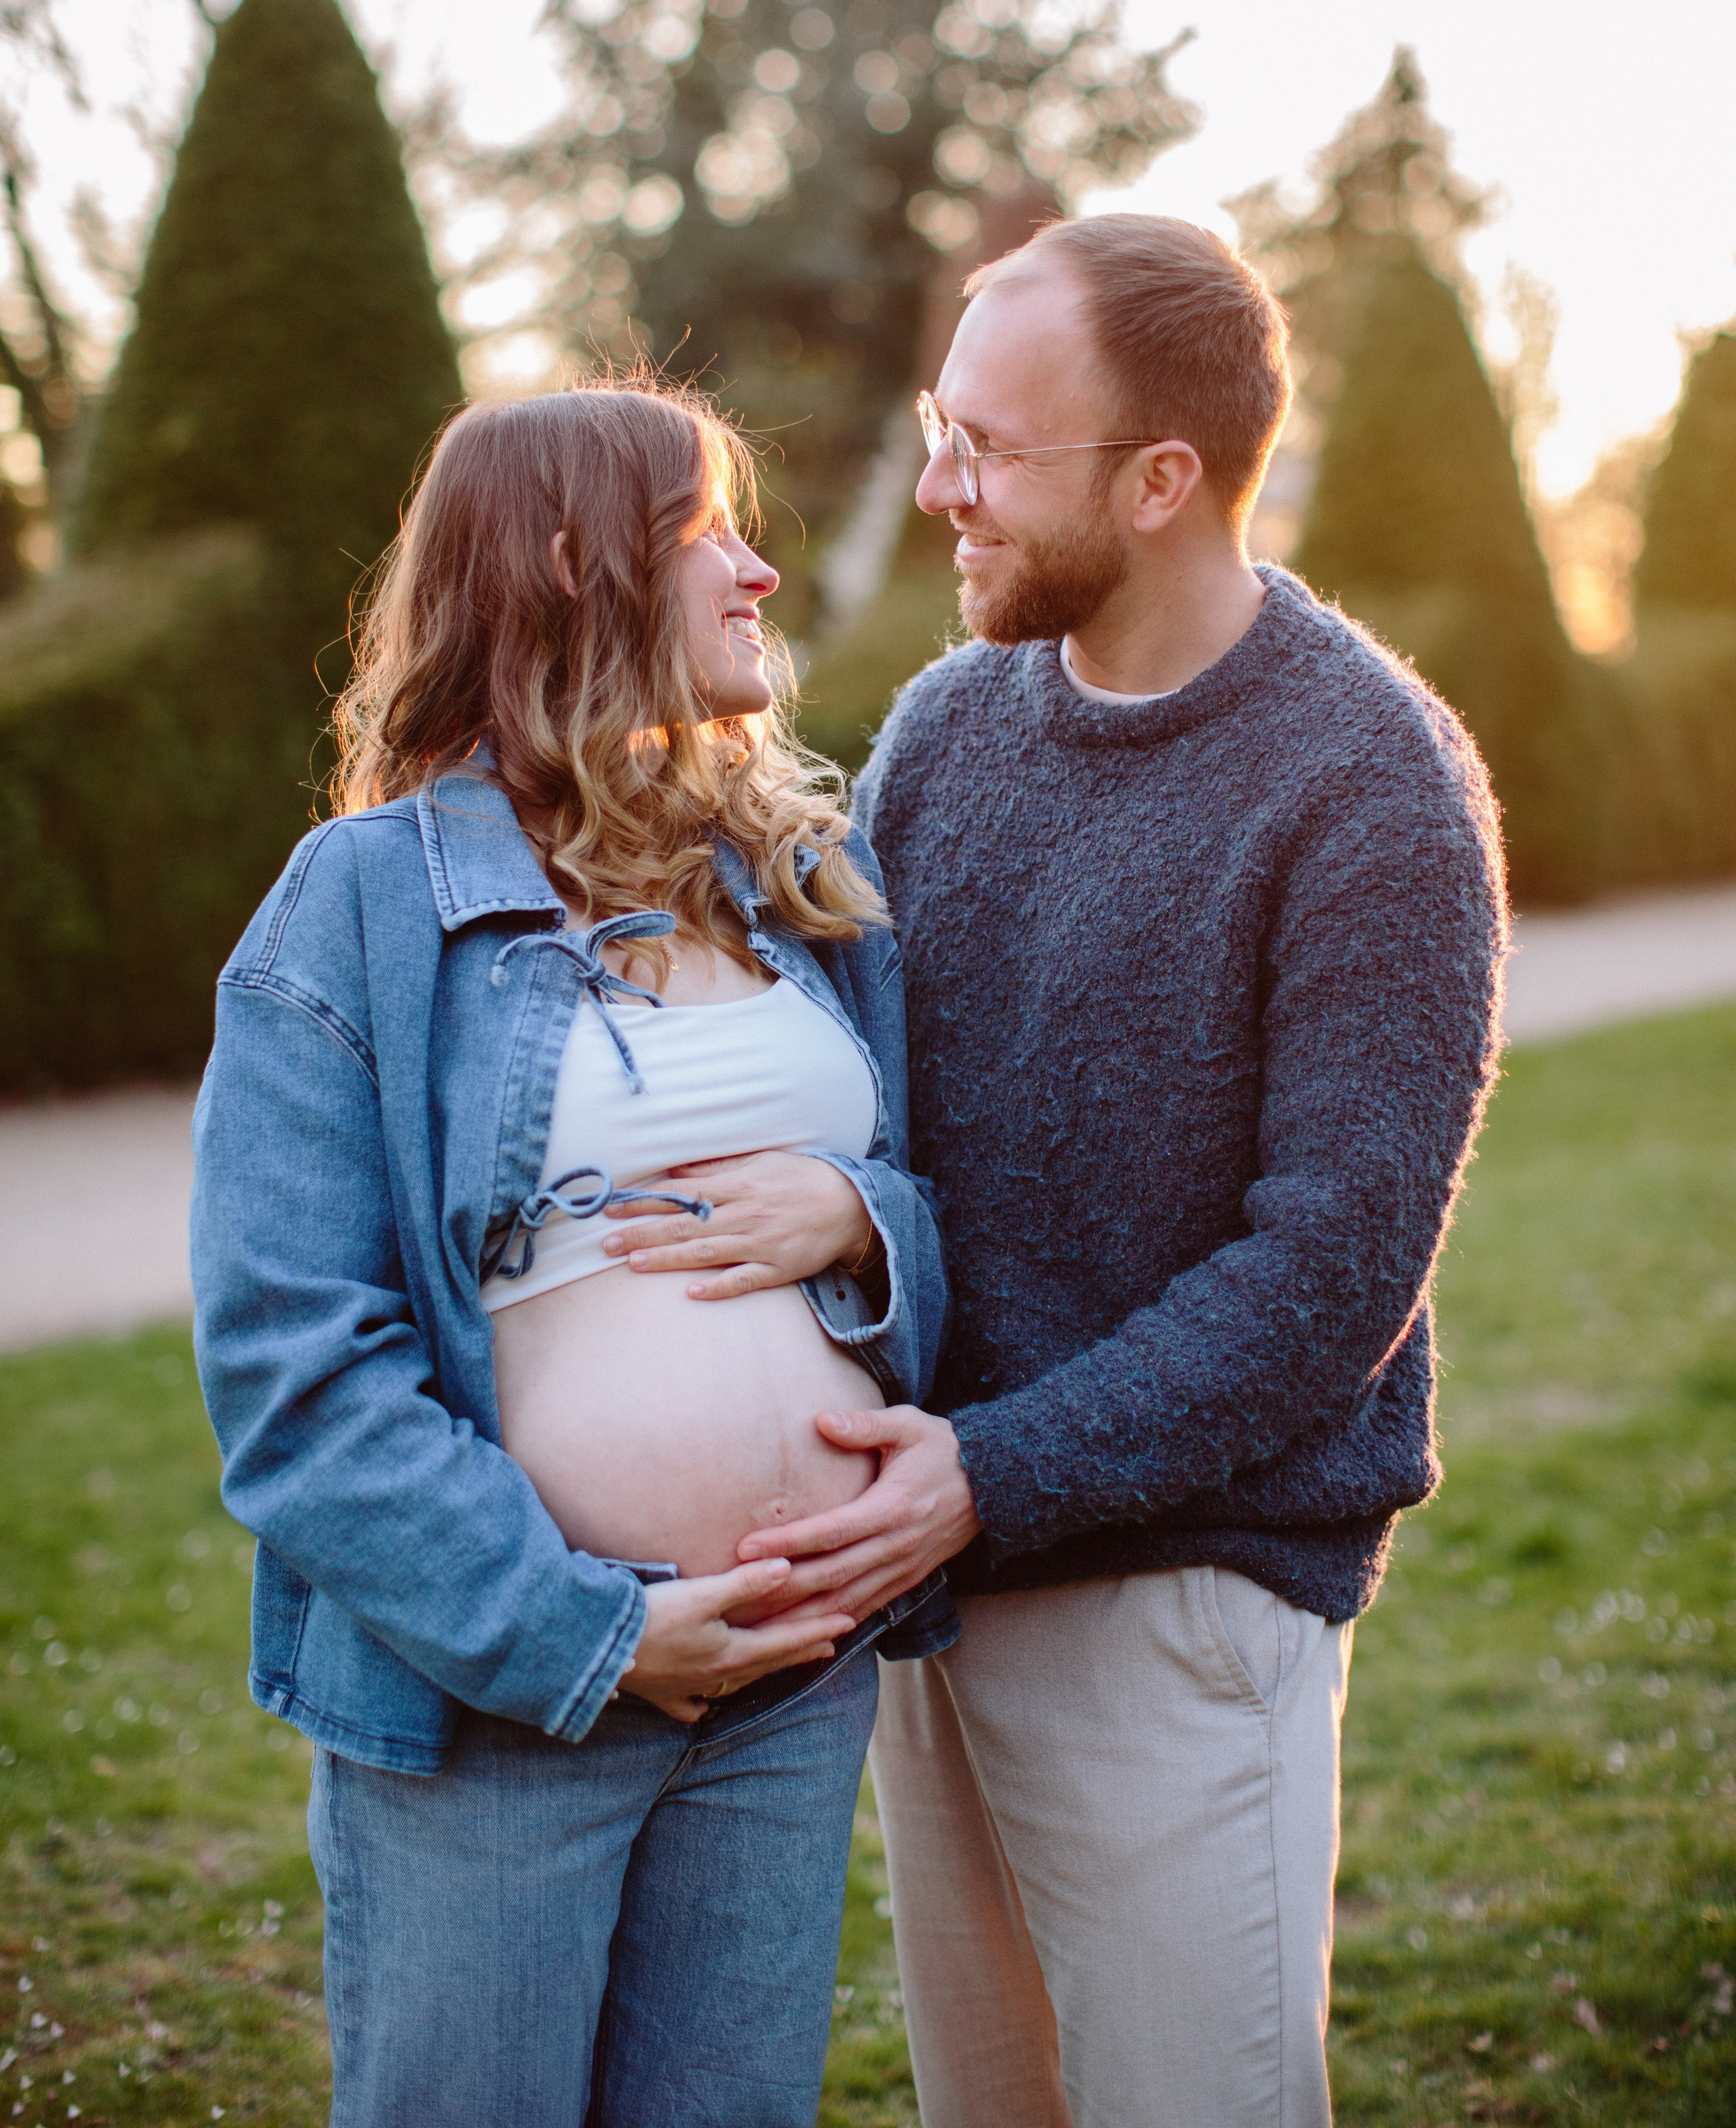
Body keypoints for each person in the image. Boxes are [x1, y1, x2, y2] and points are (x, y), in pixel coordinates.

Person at [729, 216, 1507, 2126]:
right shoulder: (943, 730)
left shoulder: (1370, 784)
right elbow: (874, 1117)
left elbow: (1329, 1278)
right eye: (941, 424)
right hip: (937, 1594)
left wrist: (986, 1478)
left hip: (1178, 1614)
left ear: (1165, 480)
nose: (938, 489)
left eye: (990, 447)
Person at [190, 382, 955, 2128]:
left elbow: (915, 1205)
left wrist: (860, 1221)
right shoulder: (361, 903)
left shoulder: (794, 878)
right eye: (712, 534)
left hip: (790, 1679)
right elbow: (292, 1375)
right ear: (568, 560)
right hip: (508, 1704)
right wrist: (591, 1638)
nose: (760, 572)